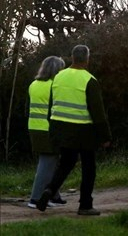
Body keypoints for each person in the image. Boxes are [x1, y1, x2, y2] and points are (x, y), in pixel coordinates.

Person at [36, 45, 112, 215]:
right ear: (87, 59)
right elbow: (98, 112)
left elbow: (51, 104)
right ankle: (85, 205)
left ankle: (49, 190)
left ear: (71, 57)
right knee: (88, 167)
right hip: (83, 130)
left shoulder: (58, 77)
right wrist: (105, 136)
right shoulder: (89, 80)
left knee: (65, 163)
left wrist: (52, 126)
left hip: (60, 127)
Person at [26, 56, 67, 209]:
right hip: (47, 129)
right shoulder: (54, 86)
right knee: (47, 163)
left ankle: (53, 195)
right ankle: (36, 198)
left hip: (35, 127)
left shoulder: (33, 84)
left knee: (53, 162)